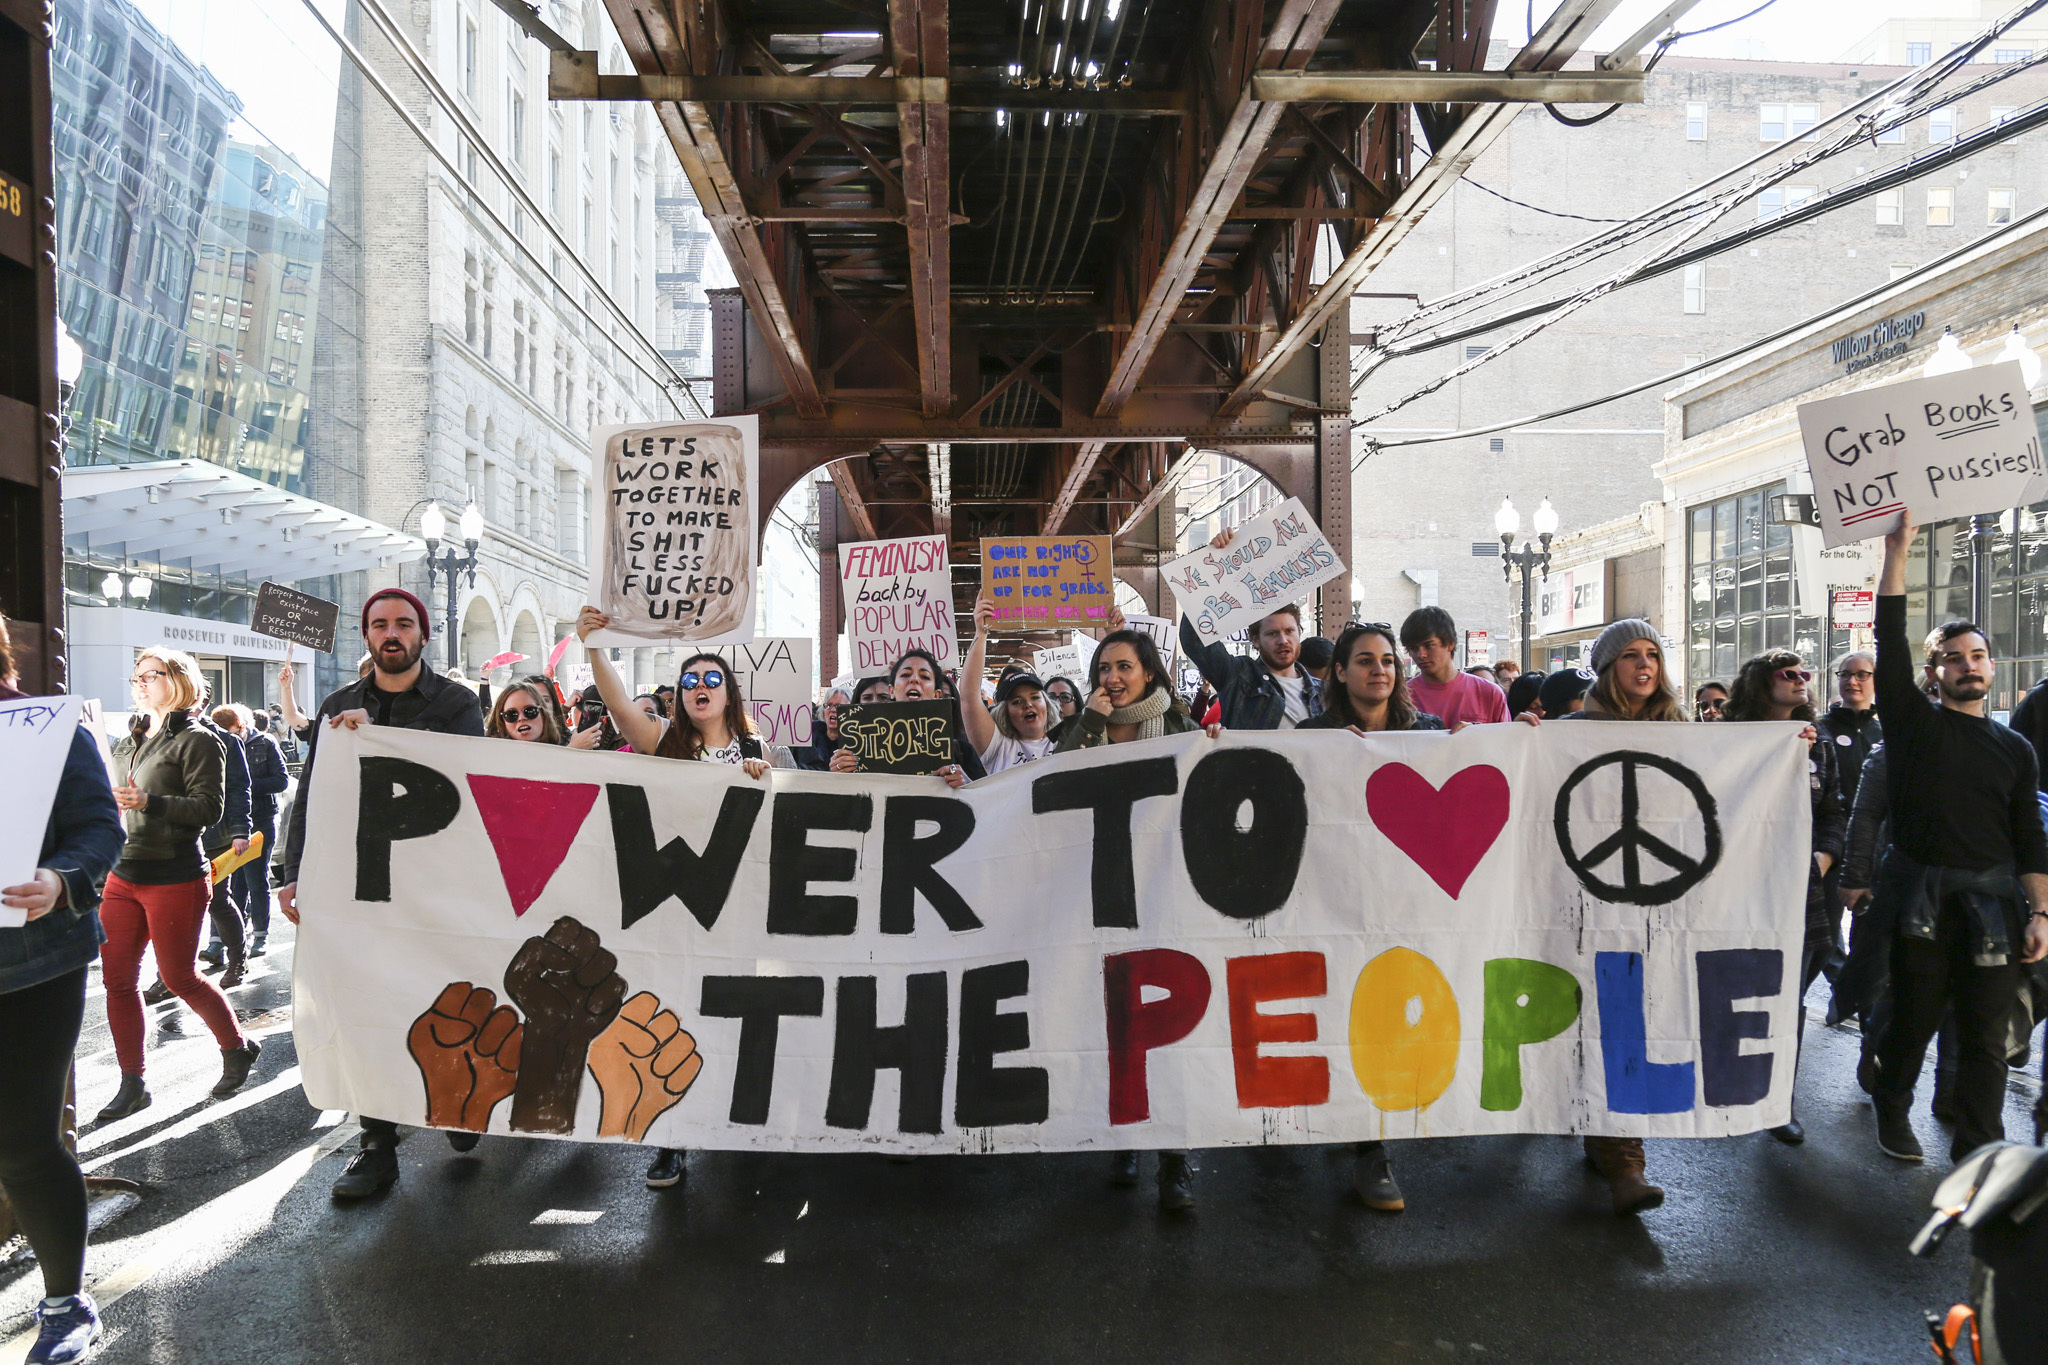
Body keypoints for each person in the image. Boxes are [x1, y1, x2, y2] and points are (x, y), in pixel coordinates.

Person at [277, 588, 487, 1199]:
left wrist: (388, 746)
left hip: (439, 883)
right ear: (367, 637)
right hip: (361, 884)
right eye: (379, 625)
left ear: (422, 635)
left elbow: (470, 778)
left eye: (402, 624)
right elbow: (314, 791)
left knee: (442, 995)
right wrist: (293, 873)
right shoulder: (338, 706)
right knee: (365, 1004)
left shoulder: (455, 702)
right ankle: (376, 1144)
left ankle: (454, 1101)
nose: (390, 633)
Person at [1868, 519, 2048, 1165]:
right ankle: (1893, 1106)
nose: (1967, 666)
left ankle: (1978, 1150)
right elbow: (1888, 640)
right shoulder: (1914, 724)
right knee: (1913, 1022)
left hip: (1996, 911)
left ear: (1992, 667)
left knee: (1986, 1038)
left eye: (1977, 656)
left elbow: (2030, 835)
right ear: (1933, 671)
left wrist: (2042, 913)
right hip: (1925, 906)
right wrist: (1897, 553)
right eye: (1953, 657)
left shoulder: (2015, 748)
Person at [577, 607, 772, 1190]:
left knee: (732, 1021)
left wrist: (765, 775)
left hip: (736, 908)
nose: (699, 688)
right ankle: (671, 1141)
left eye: (712, 679)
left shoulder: (757, 746)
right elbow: (616, 706)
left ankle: (735, 1125)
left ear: (729, 694)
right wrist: (595, 646)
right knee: (675, 1020)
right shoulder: (662, 741)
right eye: (688, 681)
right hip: (673, 909)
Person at [1517, 619, 1681, 1214]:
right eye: (1632, 656)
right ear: (1608, 667)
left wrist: (1787, 751)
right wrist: (1524, 740)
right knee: (1594, 1014)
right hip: (1579, 902)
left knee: (1629, 1017)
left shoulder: (1683, 734)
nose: (1645, 666)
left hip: (1654, 903)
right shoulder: (1570, 733)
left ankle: (1620, 1153)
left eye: (1654, 656)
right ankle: (1613, 1148)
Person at [0, 614, 125, 1365]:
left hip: (33, 965)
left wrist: (62, 879)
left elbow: (100, 825)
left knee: (23, 1141)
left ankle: (65, 1303)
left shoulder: (41, 727)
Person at [1057, 627, 1218, 1210]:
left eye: (1123, 666)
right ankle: (1124, 1137)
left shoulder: (1179, 728)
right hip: (1098, 896)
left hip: (1166, 892)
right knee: (1112, 1019)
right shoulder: (1084, 723)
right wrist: (1091, 723)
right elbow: (1052, 779)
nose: (1111, 678)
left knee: (1169, 1031)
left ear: (1148, 672)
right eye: (1103, 668)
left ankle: (1176, 1160)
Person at [1299, 621, 1444, 1213]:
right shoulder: (1310, 738)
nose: (1379, 669)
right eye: (1363, 660)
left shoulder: (1431, 733)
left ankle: (1370, 1138)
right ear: (1339, 671)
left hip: (1410, 900)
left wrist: (1520, 741)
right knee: (1352, 1010)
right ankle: (1369, 1147)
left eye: (1387, 660)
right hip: (1339, 900)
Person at [99, 648, 261, 1124]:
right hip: (121, 874)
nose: (141, 683)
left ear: (179, 680)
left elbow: (208, 809)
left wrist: (149, 800)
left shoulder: (199, 739)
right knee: (117, 982)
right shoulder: (129, 736)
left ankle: (235, 1048)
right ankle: (133, 1083)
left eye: (152, 675)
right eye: (137, 676)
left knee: (179, 977)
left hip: (174, 874)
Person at [1723, 651, 1844, 1145]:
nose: (1801, 682)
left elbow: (1836, 812)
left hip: (1799, 894)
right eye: (1787, 675)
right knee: (1729, 990)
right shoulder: (1725, 741)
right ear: (1759, 684)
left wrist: (1822, 859)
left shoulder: (1818, 746)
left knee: (1786, 998)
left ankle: (1777, 1103)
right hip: (1737, 890)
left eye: (1805, 675)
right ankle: (1726, 1090)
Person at [1815, 652, 1881, 985]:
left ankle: (1856, 991)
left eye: (1862, 675)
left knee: (1871, 932)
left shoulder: (1887, 731)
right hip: (1835, 844)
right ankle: (1841, 986)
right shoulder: (1820, 729)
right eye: (1845, 674)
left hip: (1875, 847)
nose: (1852, 681)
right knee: (1825, 928)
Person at [829, 649, 980, 786]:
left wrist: (968, 785)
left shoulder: (962, 752)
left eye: (925, 676)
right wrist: (837, 775)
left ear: (937, 694)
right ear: (892, 691)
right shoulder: (860, 746)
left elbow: (989, 802)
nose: (914, 679)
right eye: (905, 674)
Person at [216, 704, 287, 959]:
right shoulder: (216, 743)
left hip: (261, 818)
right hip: (230, 821)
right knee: (230, 882)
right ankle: (223, 940)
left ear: (243, 726)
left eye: (233, 731)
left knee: (257, 879)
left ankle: (260, 935)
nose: (229, 737)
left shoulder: (265, 742)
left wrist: (243, 786)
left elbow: (282, 780)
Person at [960, 591, 1058, 773]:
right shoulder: (998, 748)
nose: (1028, 704)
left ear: (1047, 704)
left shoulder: (1068, 743)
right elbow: (969, 696)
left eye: (1035, 697)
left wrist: (1114, 631)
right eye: (1017, 702)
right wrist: (981, 633)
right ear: (1005, 713)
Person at [1400, 607, 1507, 727]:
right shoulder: (1402, 698)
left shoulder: (1490, 693)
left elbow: (1506, 742)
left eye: (1429, 645)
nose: (1421, 655)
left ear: (1450, 644)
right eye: (1414, 649)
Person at [796, 686, 853, 770]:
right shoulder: (808, 736)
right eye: (829, 705)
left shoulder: (855, 740)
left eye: (839, 706)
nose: (833, 710)